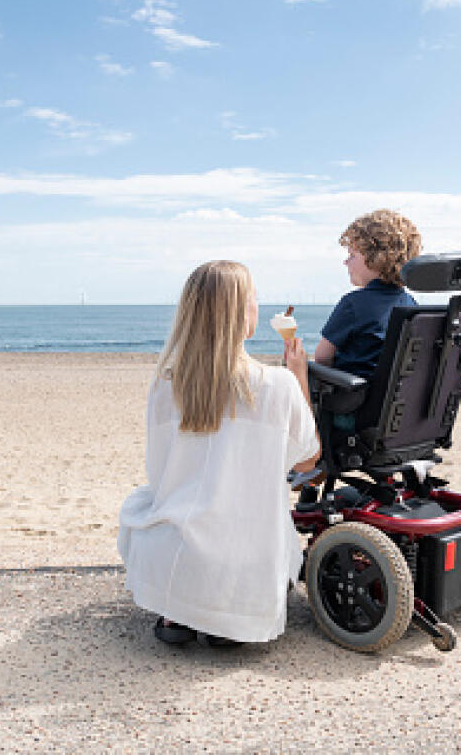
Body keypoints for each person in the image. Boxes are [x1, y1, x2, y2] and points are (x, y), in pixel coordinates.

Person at [117, 260, 321, 646]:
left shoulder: (166, 385)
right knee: (256, 532)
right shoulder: (277, 385)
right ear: (241, 313)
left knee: (142, 504)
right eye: (254, 299)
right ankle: (224, 618)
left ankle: (179, 610)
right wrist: (300, 377)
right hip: (247, 561)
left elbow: (161, 469)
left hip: (171, 552)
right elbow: (309, 459)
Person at [314, 209, 423, 379]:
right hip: (391, 400)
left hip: (350, 400)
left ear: (376, 258)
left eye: (352, 255)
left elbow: (322, 357)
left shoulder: (353, 304)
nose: (345, 262)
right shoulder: (410, 304)